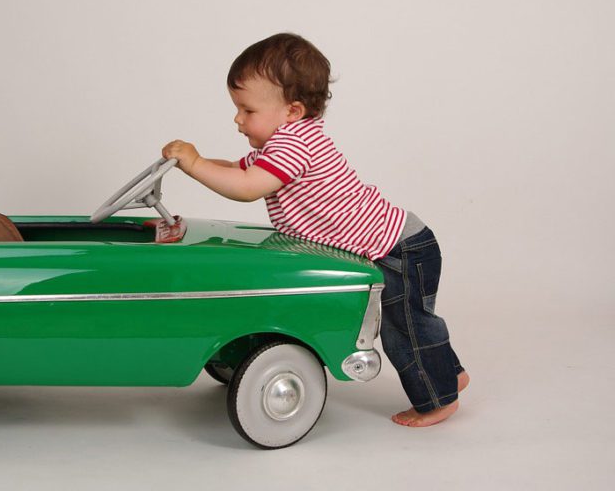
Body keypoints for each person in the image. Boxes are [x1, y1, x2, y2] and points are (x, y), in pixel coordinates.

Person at [162, 32, 468, 427]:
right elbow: (241, 170)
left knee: (403, 327)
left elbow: (247, 188)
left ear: (292, 110)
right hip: (396, 243)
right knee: (413, 319)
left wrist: (193, 165)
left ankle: (439, 399)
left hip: (399, 248)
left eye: (247, 109)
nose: (237, 119)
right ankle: (449, 374)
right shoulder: (283, 141)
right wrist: (201, 161)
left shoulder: (293, 146)